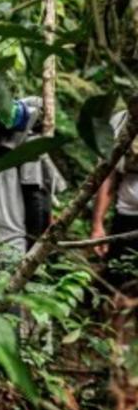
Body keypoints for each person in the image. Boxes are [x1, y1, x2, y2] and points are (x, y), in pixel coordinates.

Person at [91, 111, 138, 284]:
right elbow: (109, 175)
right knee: (118, 280)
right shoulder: (122, 120)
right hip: (126, 216)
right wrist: (97, 225)